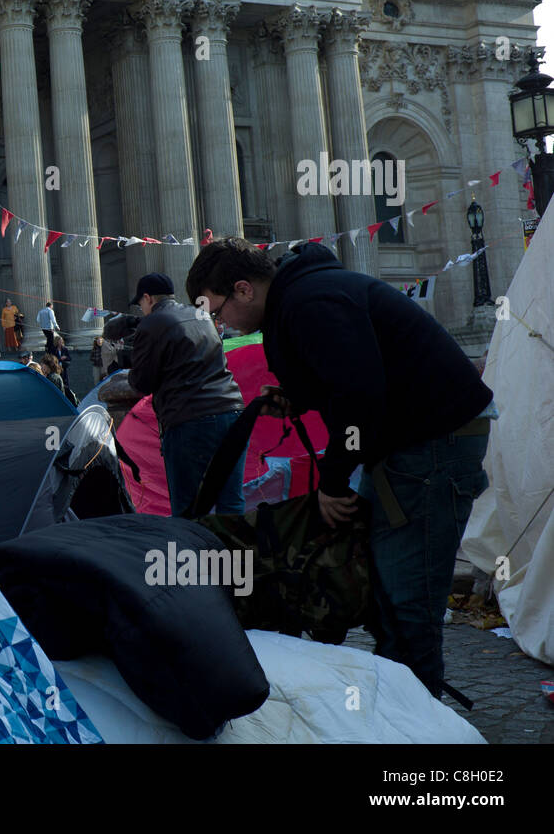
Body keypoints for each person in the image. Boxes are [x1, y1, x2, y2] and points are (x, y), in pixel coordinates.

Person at [186, 237, 495, 700]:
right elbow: (353, 377)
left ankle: (420, 724)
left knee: (408, 605)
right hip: (415, 445)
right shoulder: (304, 296)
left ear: (243, 289)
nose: (220, 324)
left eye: (217, 310)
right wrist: (301, 396)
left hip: (431, 448)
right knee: (387, 594)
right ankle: (403, 711)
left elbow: (359, 394)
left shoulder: (310, 302)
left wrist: (331, 482)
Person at [127, 271, 246, 519]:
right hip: (232, 412)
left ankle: (194, 558)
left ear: (148, 298)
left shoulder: (152, 323)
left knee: (186, 509)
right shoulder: (202, 316)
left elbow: (142, 383)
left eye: (140, 304)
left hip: (189, 419)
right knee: (231, 503)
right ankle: (237, 557)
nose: (141, 310)